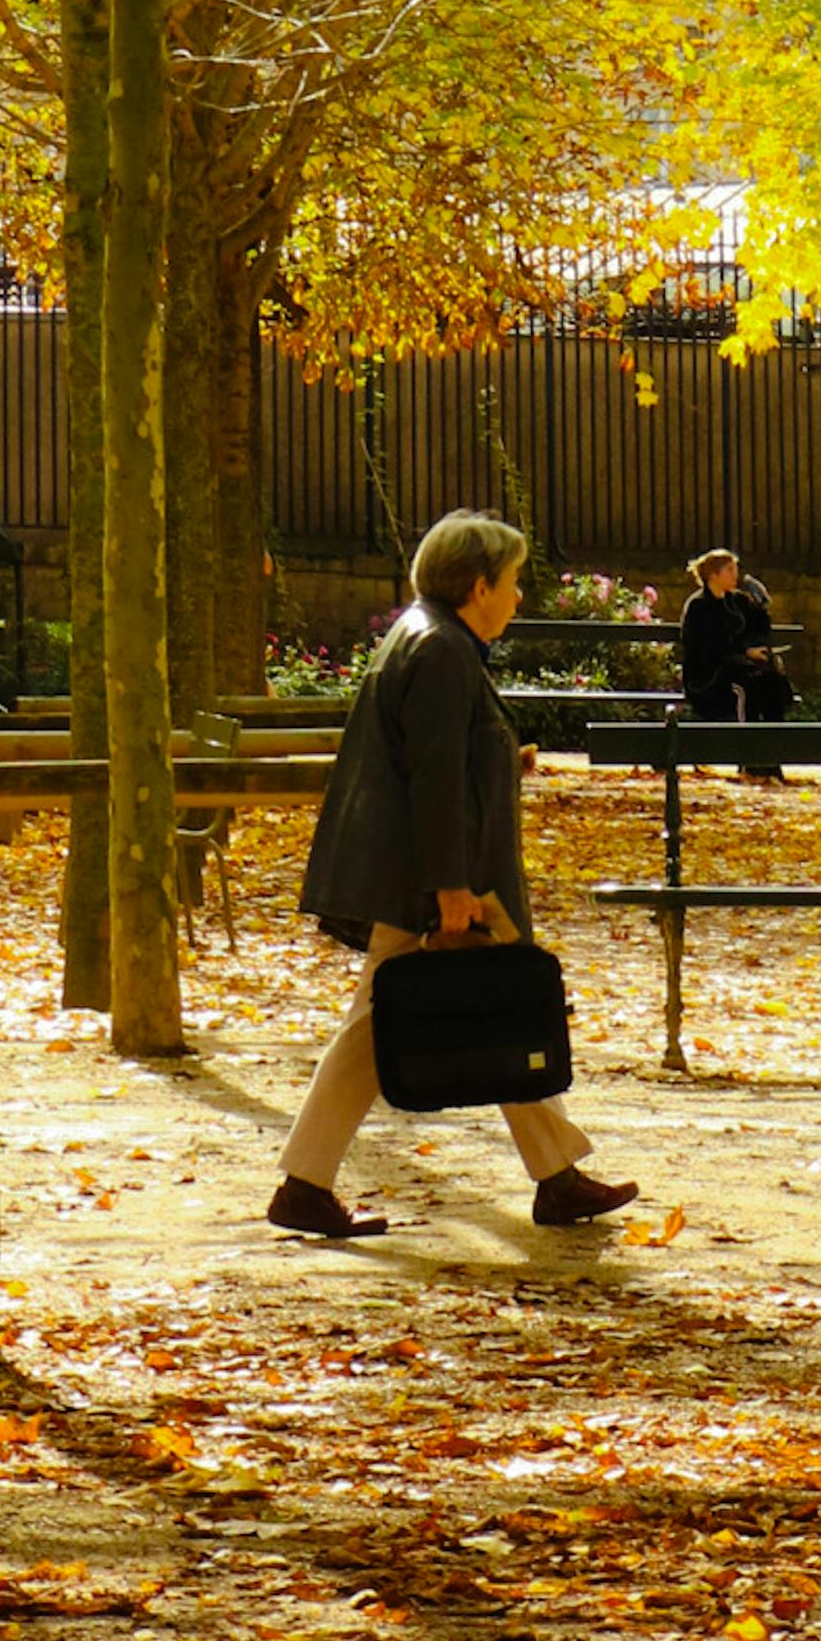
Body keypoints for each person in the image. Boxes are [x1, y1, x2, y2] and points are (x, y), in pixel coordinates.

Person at [274, 508, 641, 1244]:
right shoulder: (442, 651)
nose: (517, 598)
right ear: (477, 586)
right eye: (510, 584)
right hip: (431, 881)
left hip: (424, 873)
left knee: (480, 1007)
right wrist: (449, 888)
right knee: (467, 1011)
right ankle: (307, 1183)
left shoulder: (425, 638)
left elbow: (436, 764)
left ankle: (554, 1175)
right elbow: (432, 778)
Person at [679, 546, 791, 777]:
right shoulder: (698, 606)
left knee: (770, 682)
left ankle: (771, 759)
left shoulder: (737, 601)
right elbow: (706, 646)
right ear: (713, 575)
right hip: (709, 676)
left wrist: (761, 606)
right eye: (729, 570)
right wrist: (744, 652)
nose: (735, 575)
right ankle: (747, 758)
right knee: (745, 688)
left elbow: (759, 627)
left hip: (739, 667)